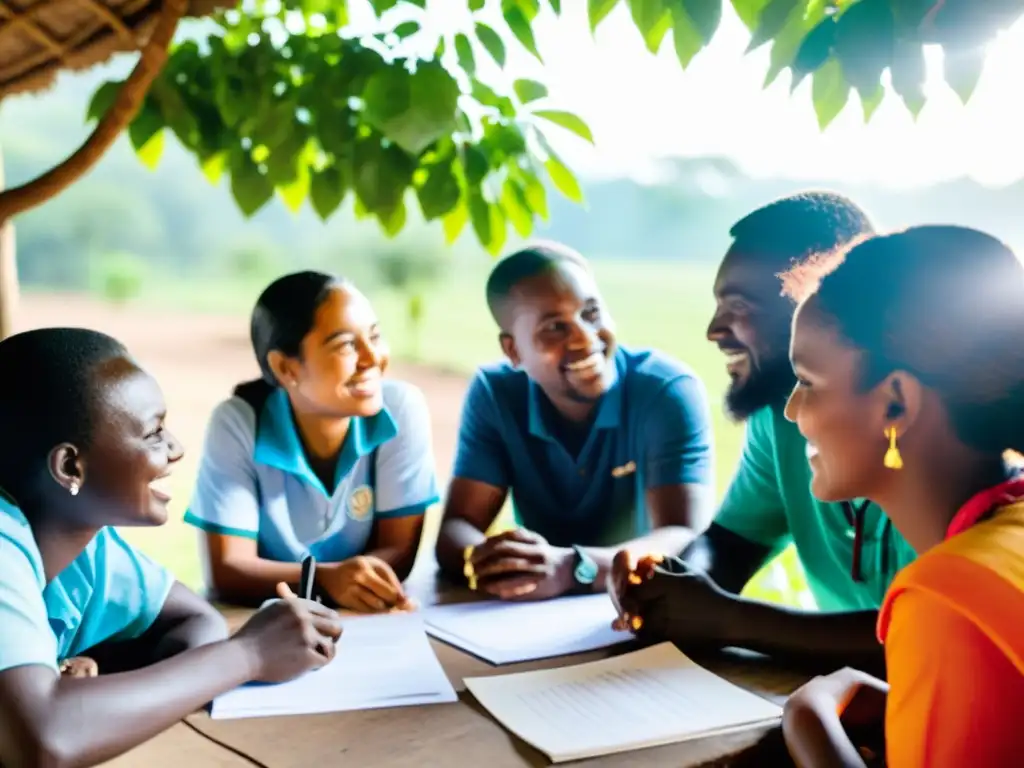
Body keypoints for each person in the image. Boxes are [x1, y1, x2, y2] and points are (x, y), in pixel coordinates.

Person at [0, 327, 342, 768]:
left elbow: (195, 620)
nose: (176, 448)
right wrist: (249, 653)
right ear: (70, 466)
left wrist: (78, 690)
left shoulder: (85, 547)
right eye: (153, 433)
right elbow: (47, 741)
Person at [610, 192, 916, 675]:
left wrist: (731, 620)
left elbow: (929, 632)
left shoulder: (933, 435)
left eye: (737, 305)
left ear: (818, 300)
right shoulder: (780, 415)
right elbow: (731, 542)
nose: (713, 330)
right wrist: (676, 588)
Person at [775, 225, 1024, 766]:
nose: (792, 410)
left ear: (894, 403)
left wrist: (809, 723)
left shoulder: (946, 601)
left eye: (808, 382)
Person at [435, 242, 716, 601]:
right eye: (555, 327)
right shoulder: (496, 393)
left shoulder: (666, 391)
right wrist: (493, 561)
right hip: (534, 611)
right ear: (514, 351)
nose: (585, 338)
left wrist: (571, 568)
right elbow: (456, 529)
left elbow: (683, 536)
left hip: (639, 601)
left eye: (592, 313)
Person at [186, 271, 439, 612]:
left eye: (375, 337)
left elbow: (400, 551)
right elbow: (228, 570)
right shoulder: (238, 424)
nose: (371, 358)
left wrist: (340, 582)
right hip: (267, 626)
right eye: (347, 344)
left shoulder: (400, 409)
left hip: (367, 622)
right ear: (285, 368)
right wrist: (324, 579)